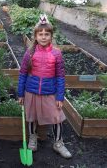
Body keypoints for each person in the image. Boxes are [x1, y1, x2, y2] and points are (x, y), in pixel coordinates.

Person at [18, 14, 72, 158]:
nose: (43, 37)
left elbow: (60, 77)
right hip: (31, 91)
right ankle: (32, 137)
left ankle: (58, 143)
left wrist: (60, 96)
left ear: (51, 36)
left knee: (57, 117)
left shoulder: (57, 54)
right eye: (40, 34)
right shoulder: (29, 53)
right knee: (31, 116)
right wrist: (21, 93)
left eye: (46, 34)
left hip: (50, 92)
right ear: (35, 36)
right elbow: (23, 73)